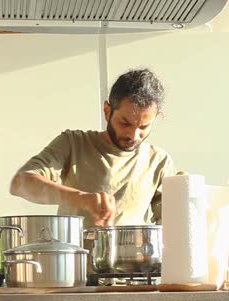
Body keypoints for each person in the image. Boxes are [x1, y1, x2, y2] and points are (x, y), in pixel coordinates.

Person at [10, 68, 175, 228]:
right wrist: (81, 198)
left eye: (144, 127)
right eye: (125, 123)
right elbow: (20, 183)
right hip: (76, 255)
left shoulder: (158, 161)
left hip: (134, 256)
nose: (134, 135)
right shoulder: (73, 143)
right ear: (107, 111)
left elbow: (174, 224)